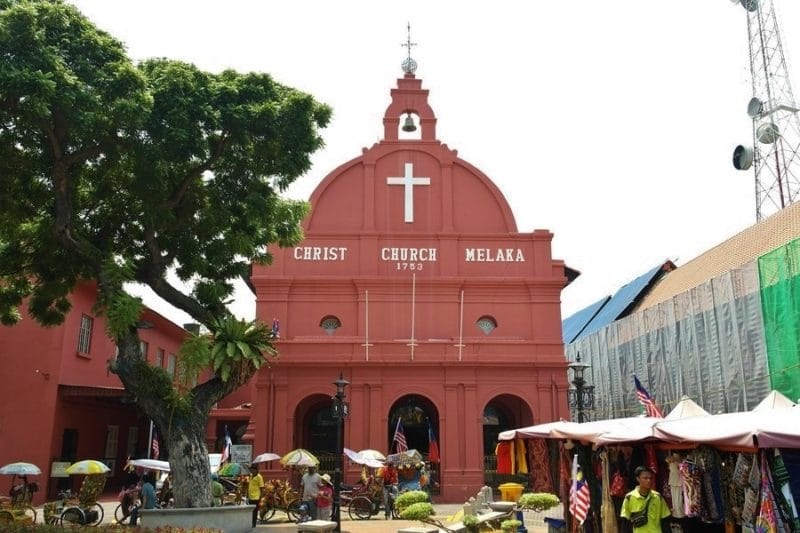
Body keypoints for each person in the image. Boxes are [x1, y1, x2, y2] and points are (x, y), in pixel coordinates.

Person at [620, 465, 671, 533]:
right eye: (645, 478)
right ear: (638, 479)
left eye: (650, 478)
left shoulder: (658, 497)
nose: (649, 481)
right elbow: (625, 523)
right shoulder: (629, 498)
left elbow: (665, 521)